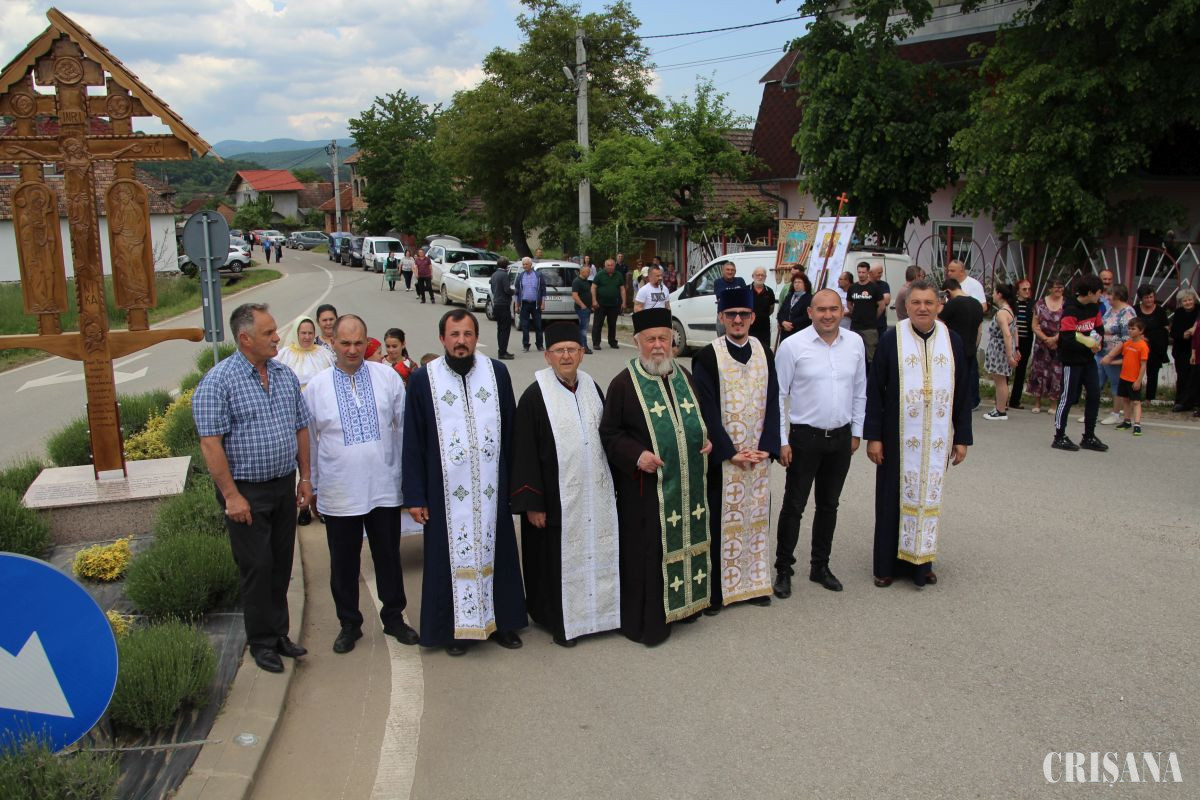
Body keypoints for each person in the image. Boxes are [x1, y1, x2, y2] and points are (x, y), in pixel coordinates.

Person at [192, 302, 312, 673]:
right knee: (257, 567)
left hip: (282, 485)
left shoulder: (283, 374)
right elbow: (210, 444)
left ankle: (279, 634)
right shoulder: (218, 382)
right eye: (269, 332)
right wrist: (231, 496)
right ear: (245, 339)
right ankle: (261, 643)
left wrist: (305, 477)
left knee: (281, 564)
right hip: (245, 492)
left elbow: (301, 427)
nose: (278, 338)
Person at [401, 309, 527, 655]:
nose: (461, 342)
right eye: (454, 335)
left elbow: (511, 430)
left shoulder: (496, 373)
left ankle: (503, 623)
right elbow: (412, 440)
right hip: (444, 494)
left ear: (476, 338)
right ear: (442, 339)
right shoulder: (423, 380)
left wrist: (516, 487)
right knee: (446, 560)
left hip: (491, 490)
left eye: (467, 334)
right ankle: (454, 632)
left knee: (499, 554)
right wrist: (415, 496)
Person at [599, 308, 714, 645]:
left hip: (687, 487)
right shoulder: (623, 384)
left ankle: (686, 607)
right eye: (651, 340)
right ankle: (650, 623)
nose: (659, 345)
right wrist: (638, 456)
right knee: (649, 554)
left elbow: (695, 421)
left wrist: (705, 440)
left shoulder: (684, 376)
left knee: (688, 541)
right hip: (646, 491)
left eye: (664, 338)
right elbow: (609, 434)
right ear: (638, 343)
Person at [304, 315, 418, 654]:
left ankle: (394, 618)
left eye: (358, 343)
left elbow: (404, 429)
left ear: (367, 343)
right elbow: (309, 441)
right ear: (333, 343)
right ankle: (349, 624)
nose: (352, 350)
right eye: (345, 343)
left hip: (383, 487)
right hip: (339, 490)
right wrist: (310, 483)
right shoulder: (317, 387)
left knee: (388, 557)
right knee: (344, 563)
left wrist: (407, 480)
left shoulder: (387, 378)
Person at [510, 323, 619, 647]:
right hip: (554, 502)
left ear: (582, 353)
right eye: (560, 350)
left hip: (593, 496)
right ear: (548, 356)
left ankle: (601, 616)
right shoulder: (535, 396)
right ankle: (559, 622)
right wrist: (532, 503)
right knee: (554, 563)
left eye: (572, 349)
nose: (567, 356)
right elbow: (524, 452)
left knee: (595, 554)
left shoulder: (591, 387)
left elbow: (608, 435)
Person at [864, 281, 972, 588]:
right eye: (916, 303)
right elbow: (875, 390)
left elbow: (963, 391)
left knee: (927, 497)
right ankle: (886, 566)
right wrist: (874, 436)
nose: (922, 308)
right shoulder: (892, 339)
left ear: (939, 306)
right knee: (891, 499)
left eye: (928, 302)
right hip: (896, 436)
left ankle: (921, 565)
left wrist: (961, 437)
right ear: (906, 306)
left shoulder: (951, 340)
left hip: (934, 438)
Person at [691, 287, 781, 613]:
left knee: (756, 519)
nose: (738, 320)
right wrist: (729, 452)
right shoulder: (707, 356)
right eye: (731, 315)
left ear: (753, 317)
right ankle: (717, 592)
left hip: (756, 459)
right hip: (726, 461)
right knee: (719, 522)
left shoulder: (764, 352)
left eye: (744, 314)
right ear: (721, 317)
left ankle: (753, 585)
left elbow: (773, 401)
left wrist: (767, 447)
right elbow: (707, 410)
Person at [773, 288, 866, 598]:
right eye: (821, 310)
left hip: (840, 438)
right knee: (794, 506)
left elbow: (860, 390)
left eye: (833, 309)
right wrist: (782, 440)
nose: (828, 315)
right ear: (810, 312)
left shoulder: (854, 343)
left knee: (829, 505)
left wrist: (856, 431)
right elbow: (778, 396)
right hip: (804, 439)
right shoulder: (792, 346)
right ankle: (783, 569)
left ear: (843, 311)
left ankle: (820, 566)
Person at [1052, 273, 1108, 452]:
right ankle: (1059, 436)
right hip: (1072, 360)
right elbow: (1067, 339)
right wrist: (1087, 346)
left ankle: (1089, 436)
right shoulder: (1070, 310)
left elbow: (1099, 328)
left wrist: (1098, 343)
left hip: (1088, 360)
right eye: (1099, 292)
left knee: (1094, 395)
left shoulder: (1095, 307)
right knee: (1067, 398)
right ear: (1090, 292)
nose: (1101, 295)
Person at [939, 278, 984, 411]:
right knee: (972, 375)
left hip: (954, 346)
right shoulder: (977, 304)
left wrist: (941, 305)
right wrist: (975, 344)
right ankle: (973, 401)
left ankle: (957, 402)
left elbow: (939, 322)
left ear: (948, 291)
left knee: (956, 377)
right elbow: (980, 329)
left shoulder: (953, 304)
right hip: (971, 345)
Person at [1103, 317, 1150, 436]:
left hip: (1134, 379)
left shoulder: (1143, 346)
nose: (1130, 331)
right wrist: (1111, 362)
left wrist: (1138, 380)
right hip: (1124, 377)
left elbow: (1143, 365)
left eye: (1133, 329)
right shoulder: (1127, 343)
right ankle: (1127, 421)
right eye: (1129, 328)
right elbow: (1125, 360)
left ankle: (1137, 424)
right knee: (1125, 400)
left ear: (1141, 331)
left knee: (1136, 402)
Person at [1097, 284, 1135, 424]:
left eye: (1110, 294)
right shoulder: (1109, 310)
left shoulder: (1128, 312)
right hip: (1101, 351)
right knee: (1096, 381)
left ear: (1118, 296)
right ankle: (1092, 412)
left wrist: (1110, 355)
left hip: (1115, 354)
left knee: (1116, 383)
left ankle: (1116, 413)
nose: (1107, 297)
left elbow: (1126, 339)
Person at [982, 283, 1020, 420]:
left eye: (994, 292)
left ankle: (1001, 410)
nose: (992, 295)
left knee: (1000, 381)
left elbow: (1007, 334)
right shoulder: (1010, 310)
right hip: (1002, 348)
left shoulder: (1002, 313)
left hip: (999, 349)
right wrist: (1016, 348)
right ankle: (999, 407)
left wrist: (1010, 356)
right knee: (1000, 380)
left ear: (999, 294)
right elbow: (1015, 331)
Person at [1028, 280, 1065, 413]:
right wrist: (1045, 339)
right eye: (1056, 287)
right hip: (1041, 344)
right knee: (1039, 371)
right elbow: (1034, 325)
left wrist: (1054, 339)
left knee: (1056, 373)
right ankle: (1037, 403)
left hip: (1058, 343)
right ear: (1050, 288)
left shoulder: (1066, 304)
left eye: (1061, 287)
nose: (1059, 289)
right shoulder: (1040, 303)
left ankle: (1053, 404)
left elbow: (1068, 325)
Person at [273, 317, 334, 391]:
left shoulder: (325, 354)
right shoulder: (284, 355)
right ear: (296, 333)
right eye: (303, 333)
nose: (307, 337)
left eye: (310, 333)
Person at [1134, 285, 1169, 402]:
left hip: (1155, 347)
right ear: (1141, 298)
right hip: (1138, 345)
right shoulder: (1135, 310)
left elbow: (1165, 328)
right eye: (1146, 297)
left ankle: (1150, 398)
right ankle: (1134, 396)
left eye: (1151, 297)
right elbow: (1130, 326)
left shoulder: (1160, 311)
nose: (1149, 300)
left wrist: (1154, 338)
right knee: (1135, 372)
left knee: (1153, 373)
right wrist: (1139, 336)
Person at [847, 261, 885, 362]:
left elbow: (881, 306)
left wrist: (874, 317)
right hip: (855, 326)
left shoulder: (874, 288)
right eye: (859, 272)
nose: (861, 275)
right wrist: (854, 313)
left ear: (868, 272)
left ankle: (871, 372)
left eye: (863, 272)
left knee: (871, 356)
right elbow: (849, 303)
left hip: (870, 328)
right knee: (854, 353)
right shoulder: (852, 287)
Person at [1169, 289, 1199, 412]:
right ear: (1181, 303)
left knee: (1195, 377)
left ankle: (1195, 403)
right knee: (1182, 376)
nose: (1188, 302)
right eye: (1184, 301)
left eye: (1190, 300)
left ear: (1194, 300)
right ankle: (1181, 402)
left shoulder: (1199, 310)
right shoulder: (1179, 313)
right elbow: (1173, 332)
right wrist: (1183, 335)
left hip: (1197, 348)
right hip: (1182, 349)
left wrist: (1193, 331)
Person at [1009, 279, 1035, 410]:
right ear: (1018, 291)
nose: (1027, 291)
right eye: (1024, 289)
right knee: (1007, 368)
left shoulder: (1032, 304)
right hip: (1011, 339)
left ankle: (1015, 400)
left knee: (1021, 370)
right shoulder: (1012, 304)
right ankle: (1002, 399)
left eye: (1029, 289)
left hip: (1026, 340)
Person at [591, 258, 626, 350]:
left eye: (612, 265)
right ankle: (596, 343)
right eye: (608, 265)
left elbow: (622, 289)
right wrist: (594, 300)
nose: (610, 267)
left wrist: (624, 302)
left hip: (614, 304)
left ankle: (612, 342)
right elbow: (593, 287)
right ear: (605, 266)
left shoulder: (618, 275)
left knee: (612, 324)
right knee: (598, 324)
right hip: (600, 304)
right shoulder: (600, 274)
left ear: (614, 266)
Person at [513, 256, 546, 353]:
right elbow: (516, 292)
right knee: (525, 326)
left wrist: (543, 303)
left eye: (526, 264)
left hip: (536, 304)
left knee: (538, 326)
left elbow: (543, 290)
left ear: (531, 264)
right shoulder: (520, 276)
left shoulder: (538, 275)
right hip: (524, 304)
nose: (525, 266)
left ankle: (540, 345)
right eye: (523, 264)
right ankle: (526, 345)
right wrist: (516, 305)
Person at [776, 271, 812, 346]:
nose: (796, 284)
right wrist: (783, 322)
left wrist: (790, 324)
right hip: (785, 334)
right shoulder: (789, 296)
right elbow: (780, 312)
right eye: (795, 282)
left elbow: (807, 317)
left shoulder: (809, 298)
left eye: (799, 282)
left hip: (799, 334)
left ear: (805, 284)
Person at [489, 257, 515, 360]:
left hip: (496, 304)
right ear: (506, 265)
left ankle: (501, 350)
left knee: (500, 329)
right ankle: (503, 352)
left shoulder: (494, 274)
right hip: (504, 304)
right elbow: (507, 289)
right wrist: (514, 291)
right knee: (505, 329)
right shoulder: (504, 275)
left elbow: (492, 288)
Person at [748, 267, 776, 353]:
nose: (760, 277)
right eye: (758, 275)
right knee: (749, 350)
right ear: (753, 276)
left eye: (762, 275)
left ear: (765, 277)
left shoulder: (769, 291)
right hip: (749, 327)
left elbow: (771, 309)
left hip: (764, 328)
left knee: (764, 351)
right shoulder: (746, 290)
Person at [571, 262, 594, 353]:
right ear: (582, 272)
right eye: (587, 272)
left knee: (584, 327)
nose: (589, 273)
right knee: (583, 328)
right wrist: (582, 305)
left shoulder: (586, 281)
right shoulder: (577, 281)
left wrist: (591, 305)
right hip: (582, 308)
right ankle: (583, 346)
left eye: (589, 272)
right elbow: (574, 295)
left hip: (587, 308)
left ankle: (582, 345)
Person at [870, 263, 892, 337]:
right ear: (871, 273)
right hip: (866, 326)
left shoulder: (884, 285)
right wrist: (879, 299)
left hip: (880, 324)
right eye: (879, 273)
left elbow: (887, 301)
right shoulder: (864, 284)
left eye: (881, 272)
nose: (881, 275)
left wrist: (869, 298)